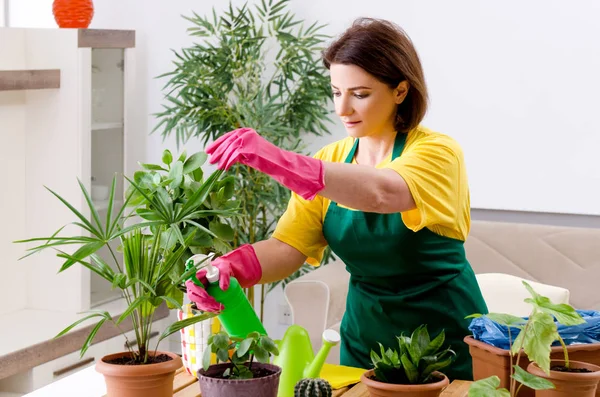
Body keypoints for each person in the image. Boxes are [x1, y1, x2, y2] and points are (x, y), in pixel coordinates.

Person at [185, 17, 488, 381]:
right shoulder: (330, 159)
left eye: (359, 94)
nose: (342, 109)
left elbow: (381, 191)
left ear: (401, 91)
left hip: (444, 342)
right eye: (335, 92)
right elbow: (288, 247)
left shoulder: (439, 152)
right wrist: (233, 268)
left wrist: (280, 161)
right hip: (365, 342)